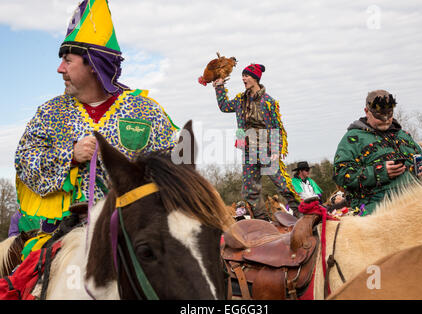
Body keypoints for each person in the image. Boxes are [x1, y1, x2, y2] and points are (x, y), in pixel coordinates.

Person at [11, 0, 178, 258]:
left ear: (93, 64)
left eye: (67, 60)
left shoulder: (147, 112)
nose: (60, 69)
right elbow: (23, 163)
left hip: (136, 243)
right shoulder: (49, 113)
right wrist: (70, 156)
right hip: (62, 244)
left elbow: (176, 171)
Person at [212, 64, 302, 218]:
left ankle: (303, 215)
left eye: (246, 76)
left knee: (283, 185)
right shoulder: (240, 99)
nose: (243, 78)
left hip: (266, 149)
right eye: (242, 76)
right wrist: (219, 87)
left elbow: (277, 127)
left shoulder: (269, 102)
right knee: (249, 191)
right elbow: (224, 106)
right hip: (248, 150)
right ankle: (262, 221)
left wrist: (276, 150)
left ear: (255, 79)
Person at [333, 89, 422, 215]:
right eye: (379, 115)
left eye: (389, 114)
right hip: (377, 213)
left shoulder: (403, 135)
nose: (385, 119)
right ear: (367, 111)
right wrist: (378, 172)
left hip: (419, 204)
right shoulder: (352, 139)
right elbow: (340, 174)